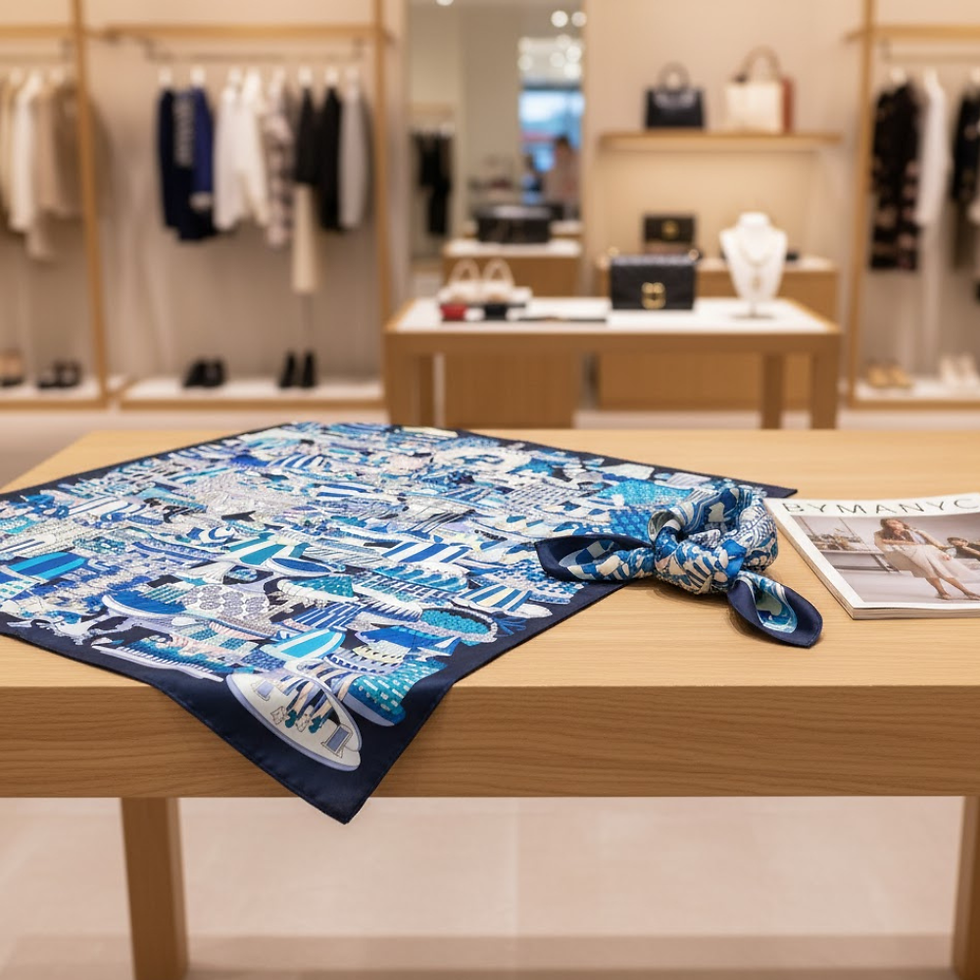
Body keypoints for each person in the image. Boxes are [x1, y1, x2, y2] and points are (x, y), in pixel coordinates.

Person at [873, 518, 980, 600]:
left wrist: (946, 553)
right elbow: (883, 544)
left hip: (930, 551)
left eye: (894, 522)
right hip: (913, 554)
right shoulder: (885, 535)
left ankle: (966, 591)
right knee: (929, 573)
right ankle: (942, 592)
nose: (893, 525)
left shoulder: (917, 531)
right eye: (889, 524)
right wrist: (899, 541)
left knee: (944, 572)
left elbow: (935, 543)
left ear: (901, 522)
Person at [542, 135, 579, 213]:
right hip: (556, 206)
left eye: (563, 150)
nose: (560, 153)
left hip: (573, 207)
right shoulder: (552, 170)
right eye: (558, 150)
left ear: (568, 149)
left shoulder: (576, 165)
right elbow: (550, 194)